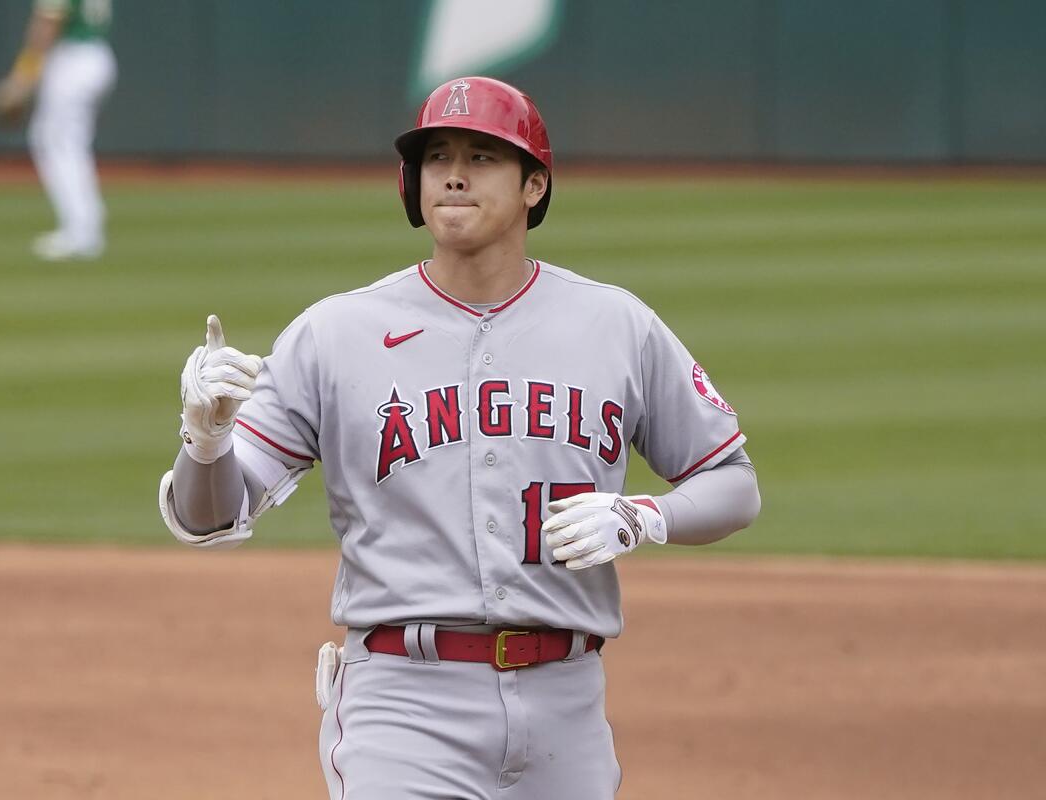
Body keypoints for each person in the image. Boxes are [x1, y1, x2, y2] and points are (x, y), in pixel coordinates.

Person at [158, 76, 762, 799]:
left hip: (566, 703)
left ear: (534, 184)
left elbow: (733, 482)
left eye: (481, 157)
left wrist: (645, 516)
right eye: (436, 156)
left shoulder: (616, 325)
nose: (451, 173)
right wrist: (206, 440)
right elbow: (210, 518)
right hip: (405, 704)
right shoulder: (336, 333)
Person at [0, 0, 116, 261]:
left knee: (59, 142)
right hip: (95, 53)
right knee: (60, 140)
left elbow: (48, 23)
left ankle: (82, 231)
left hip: (74, 58)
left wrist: (21, 78)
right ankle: (86, 219)